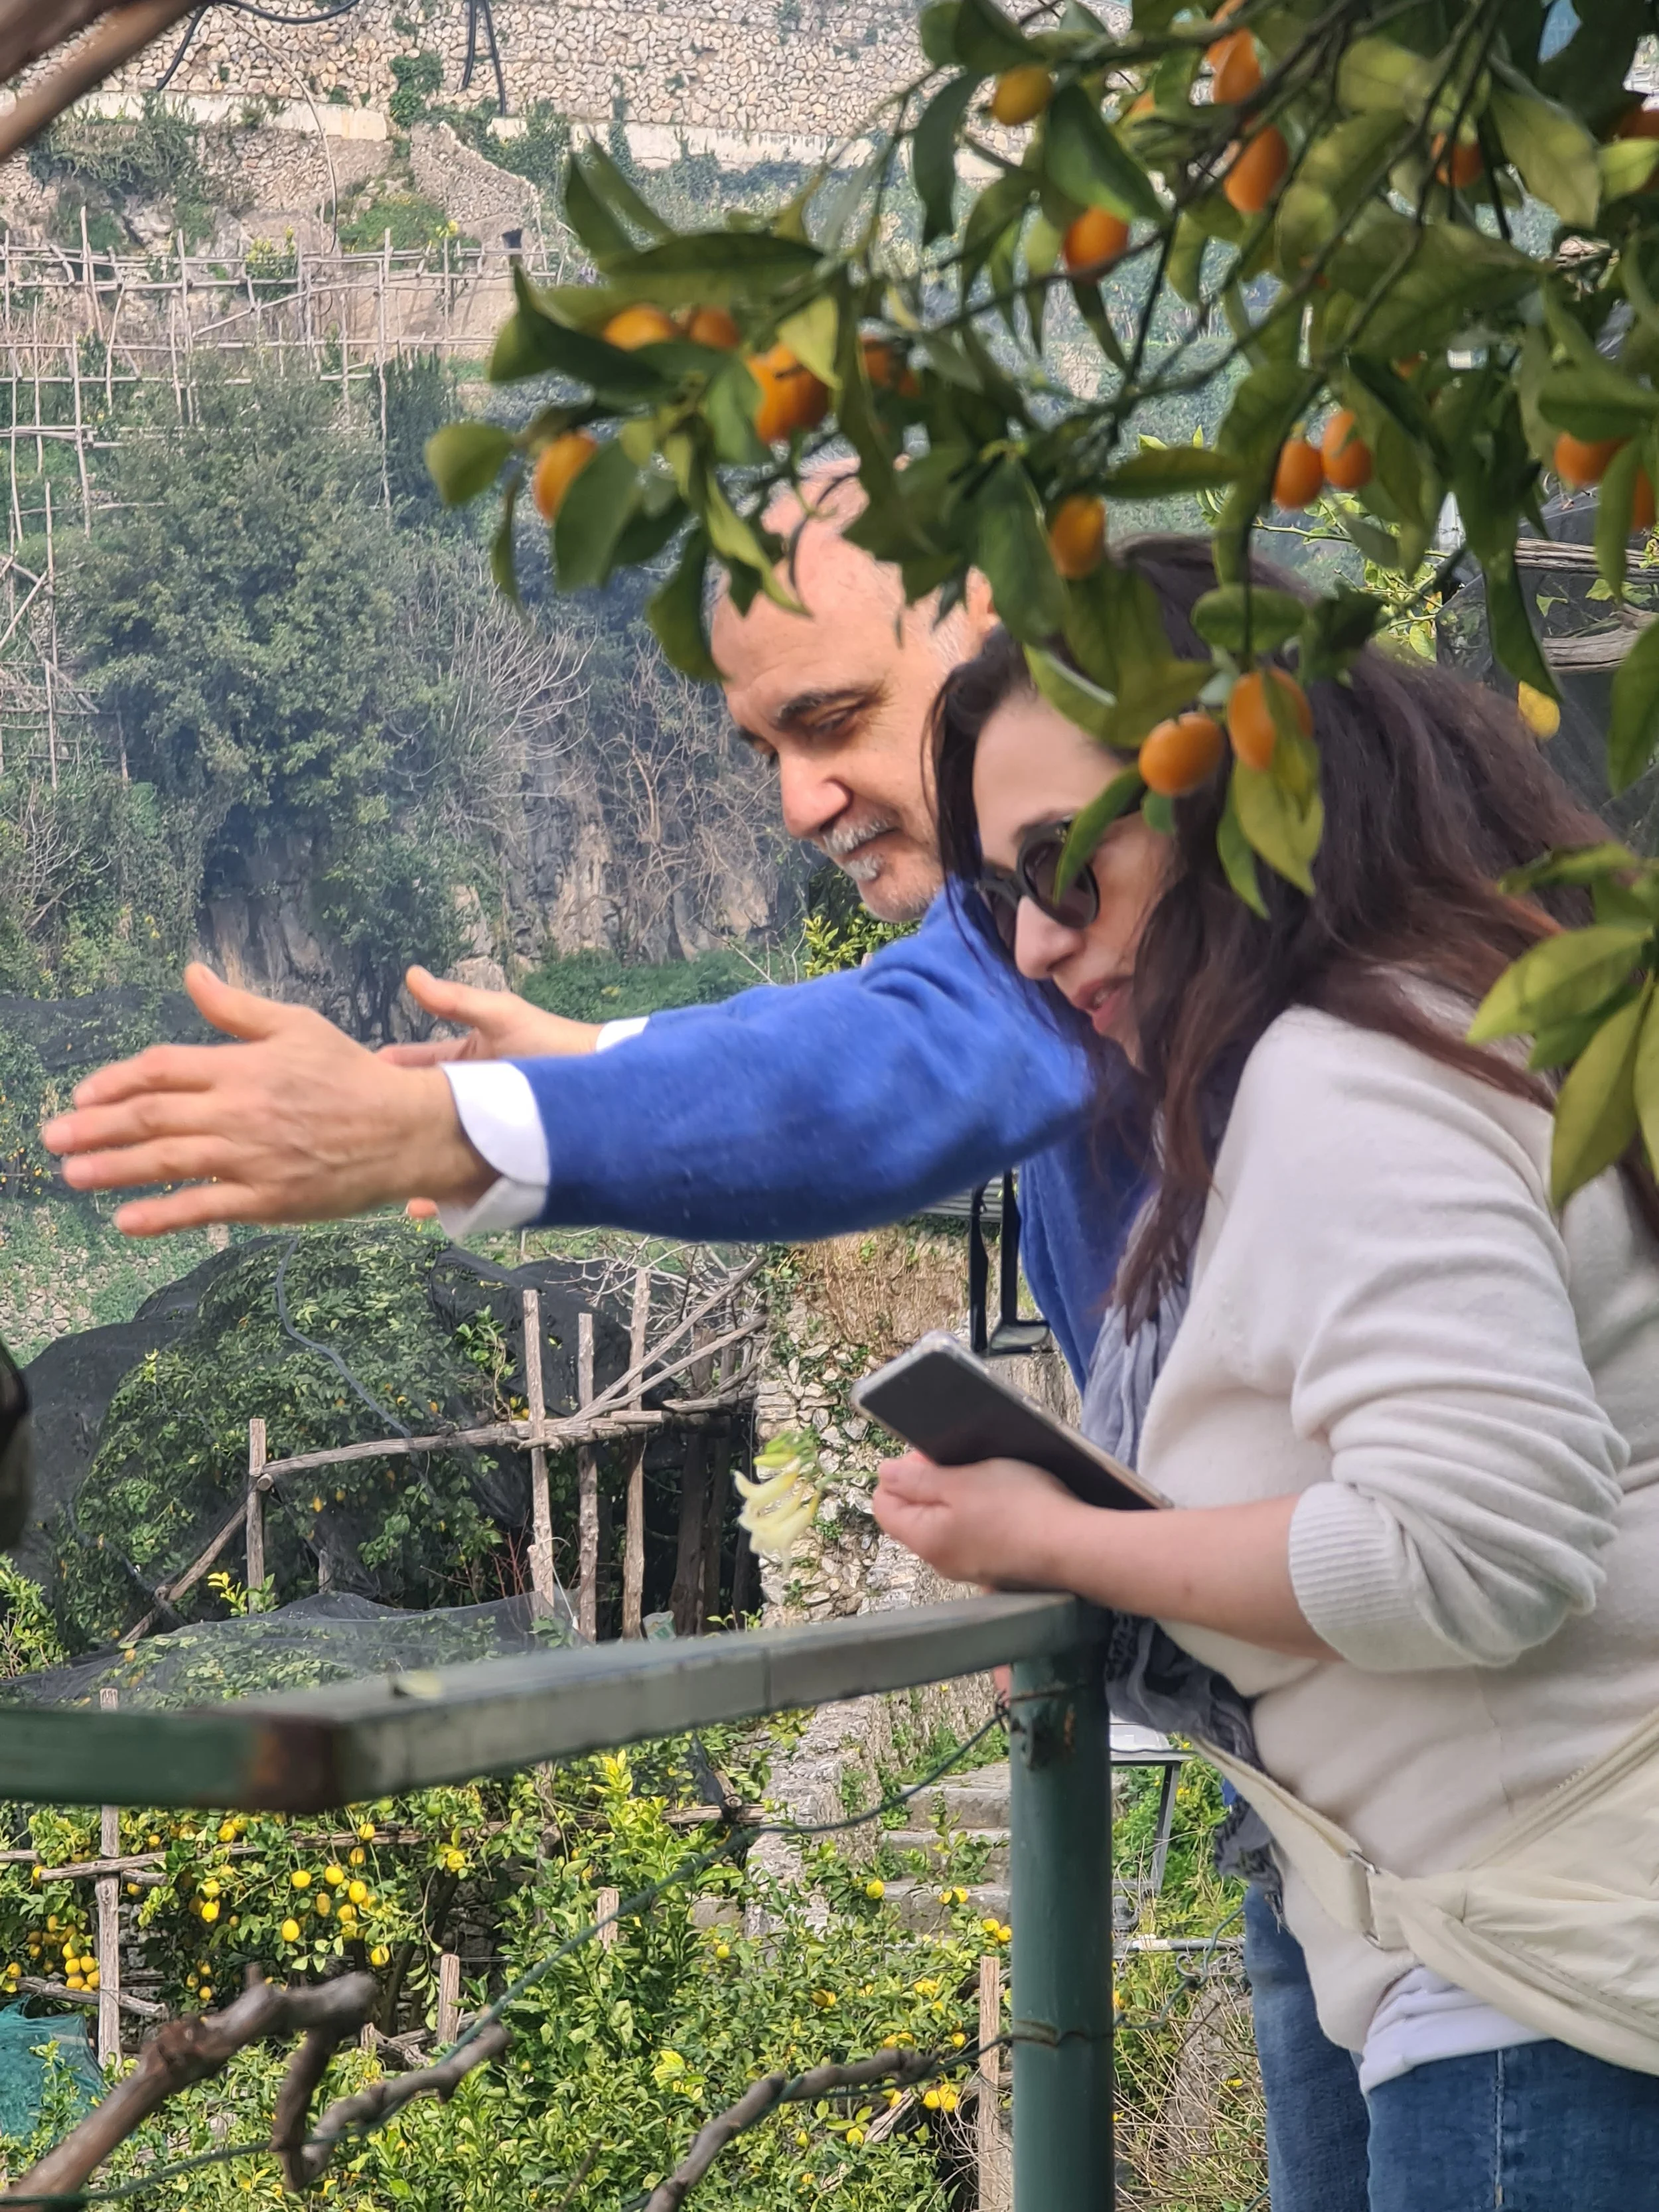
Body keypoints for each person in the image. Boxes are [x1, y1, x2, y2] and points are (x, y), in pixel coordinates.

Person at [42, 496, 1371, 2207]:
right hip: (1328, 1838)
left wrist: (448, 1124)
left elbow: (906, 1062)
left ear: (1000, 617)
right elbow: (881, 1027)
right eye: (762, 745)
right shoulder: (1094, 902)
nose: (800, 801)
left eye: (830, 720)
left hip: (1488, 1848)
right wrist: (594, 1052)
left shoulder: (1130, 895)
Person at [873, 538, 1659, 2208]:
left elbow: (1470, 1547)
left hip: (1538, 1987)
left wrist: (1056, 1541)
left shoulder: (1342, 1070)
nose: (1033, 942)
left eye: (1064, 865)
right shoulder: (1460, 1012)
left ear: (1241, 800)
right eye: (1003, 891)